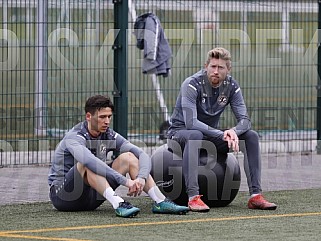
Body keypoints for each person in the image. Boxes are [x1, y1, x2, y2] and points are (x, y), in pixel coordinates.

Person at [167, 47, 277, 212]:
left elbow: (245, 121)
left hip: (209, 136)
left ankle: (255, 196)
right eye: (213, 66)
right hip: (180, 134)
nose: (216, 71)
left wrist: (233, 131)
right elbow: (191, 123)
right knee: (195, 134)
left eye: (221, 68)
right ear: (206, 66)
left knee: (251, 136)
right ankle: (193, 197)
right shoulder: (191, 84)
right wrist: (222, 133)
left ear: (228, 69)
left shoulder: (231, 85)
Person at [48, 95, 189, 218]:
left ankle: (160, 201)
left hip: (92, 196)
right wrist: (125, 182)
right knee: (87, 163)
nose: (107, 121)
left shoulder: (108, 134)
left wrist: (141, 178)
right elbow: (88, 161)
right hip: (64, 197)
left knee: (128, 157)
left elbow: (142, 155)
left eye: (109, 117)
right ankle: (119, 203)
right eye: (102, 117)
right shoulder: (75, 137)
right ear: (88, 117)